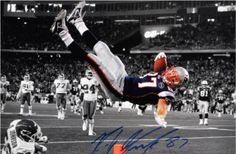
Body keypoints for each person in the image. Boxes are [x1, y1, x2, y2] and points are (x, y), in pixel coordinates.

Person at [50, 2, 189, 127]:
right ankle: (77, 21)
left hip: (119, 90)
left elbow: (162, 106)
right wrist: (162, 55)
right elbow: (160, 61)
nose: (169, 72)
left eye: (173, 75)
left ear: (174, 82)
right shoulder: (163, 73)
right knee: (102, 48)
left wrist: (160, 116)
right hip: (124, 77)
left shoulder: (167, 93)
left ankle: (62, 32)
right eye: (172, 71)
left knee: (94, 61)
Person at [80, 69, 99, 136]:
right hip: (86, 99)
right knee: (85, 115)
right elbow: (82, 90)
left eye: (91, 73)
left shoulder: (96, 79)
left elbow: (99, 87)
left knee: (91, 117)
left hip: (93, 100)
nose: (90, 74)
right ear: (86, 74)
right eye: (89, 73)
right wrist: (80, 100)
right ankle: (85, 122)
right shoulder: (82, 80)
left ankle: (90, 130)